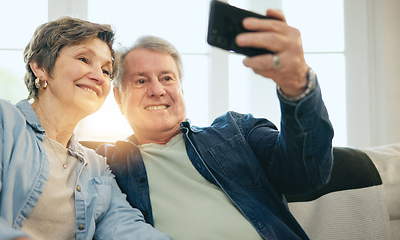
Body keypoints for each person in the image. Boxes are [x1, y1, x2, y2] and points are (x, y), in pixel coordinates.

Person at [96, 9, 334, 240]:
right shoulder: (104, 164)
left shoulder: (237, 130)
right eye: (141, 80)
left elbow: (305, 176)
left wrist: (297, 85)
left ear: (181, 89)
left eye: (167, 78)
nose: (157, 90)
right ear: (118, 97)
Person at [0, 17, 170, 240]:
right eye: (84, 59)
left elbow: (127, 228)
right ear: (40, 67)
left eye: (105, 70)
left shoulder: (96, 166)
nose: (98, 77)